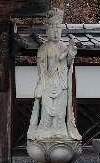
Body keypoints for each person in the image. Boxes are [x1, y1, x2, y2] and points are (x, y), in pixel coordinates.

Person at [27, 8, 80, 141]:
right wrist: (41, 82)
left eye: (58, 29)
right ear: (48, 31)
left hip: (61, 82)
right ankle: (45, 131)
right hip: (48, 82)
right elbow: (41, 67)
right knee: (47, 111)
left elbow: (68, 65)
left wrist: (71, 54)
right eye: (53, 29)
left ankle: (60, 131)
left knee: (60, 111)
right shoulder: (44, 48)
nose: (56, 32)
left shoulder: (63, 46)